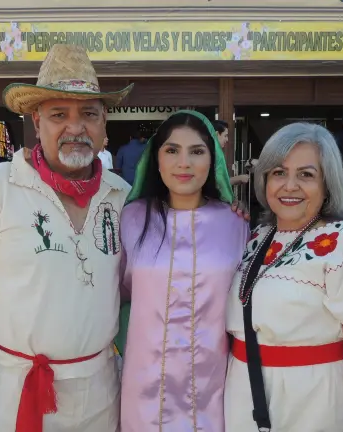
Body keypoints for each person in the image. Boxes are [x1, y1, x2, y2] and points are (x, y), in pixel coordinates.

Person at [0, 44, 134, 432]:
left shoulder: (121, 195)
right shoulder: (0, 187)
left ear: (104, 124)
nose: (76, 128)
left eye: (89, 114)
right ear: (37, 122)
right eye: (60, 114)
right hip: (20, 390)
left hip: (101, 391)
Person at [224, 122, 343, 432]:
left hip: (314, 403)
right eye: (278, 172)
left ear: (328, 182)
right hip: (242, 395)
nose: (289, 185)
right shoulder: (255, 236)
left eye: (306, 174)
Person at [119, 111, 248, 431]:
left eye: (197, 151)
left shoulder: (236, 224)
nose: (184, 163)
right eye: (172, 150)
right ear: (156, 159)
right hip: (145, 387)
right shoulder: (131, 219)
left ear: (213, 160)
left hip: (212, 387)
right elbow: (115, 295)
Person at [212, 120, 251, 187]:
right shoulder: (210, 155)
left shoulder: (216, 153)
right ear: (217, 134)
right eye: (225, 136)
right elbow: (216, 183)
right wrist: (238, 179)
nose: (227, 139)